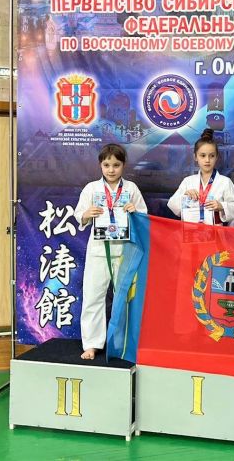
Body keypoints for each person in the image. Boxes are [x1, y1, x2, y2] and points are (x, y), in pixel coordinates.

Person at [74, 144, 147, 360]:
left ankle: (121, 344)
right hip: (99, 250)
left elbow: (143, 217)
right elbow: (79, 215)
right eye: (106, 165)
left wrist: (135, 212)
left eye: (116, 165)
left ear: (123, 165)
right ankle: (92, 344)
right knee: (93, 296)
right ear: (100, 165)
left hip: (125, 250)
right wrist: (87, 214)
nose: (111, 170)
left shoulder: (131, 189)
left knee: (124, 298)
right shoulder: (91, 189)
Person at [167, 128, 234, 224]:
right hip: (191, 229)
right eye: (203, 155)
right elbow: (172, 205)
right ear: (195, 157)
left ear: (216, 157)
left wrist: (222, 206)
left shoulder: (225, 182)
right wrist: (184, 196)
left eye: (211, 156)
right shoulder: (187, 181)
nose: (207, 160)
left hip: (215, 229)